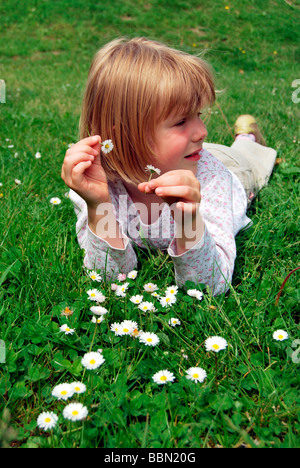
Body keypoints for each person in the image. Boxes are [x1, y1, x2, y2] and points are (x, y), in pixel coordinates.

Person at [61, 37, 277, 296]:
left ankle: (247, 139)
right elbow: (110, 278)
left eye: (198, 115)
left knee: (248, 159)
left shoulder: (214, 181)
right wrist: (99, 206)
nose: (202, 130)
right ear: (121, 135)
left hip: (230, 166)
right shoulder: (95, 184)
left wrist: (190, 225)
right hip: (189, 156)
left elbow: (209, 286)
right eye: (180, 122)